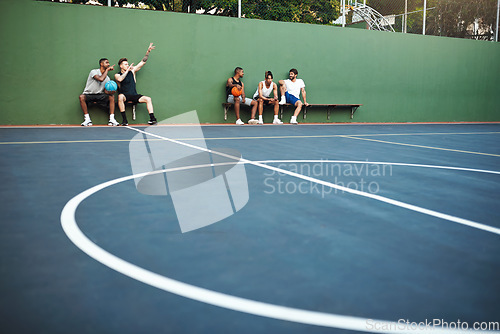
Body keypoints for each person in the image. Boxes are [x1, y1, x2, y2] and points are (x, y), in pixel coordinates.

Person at [115, 43, 157, 126]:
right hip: (125, 96)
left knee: (148, 99)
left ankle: (152, 119)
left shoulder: (132, 71)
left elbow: (143, 62)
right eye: (125, 64)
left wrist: (148, 52)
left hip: (134, 95)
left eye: (128, 64)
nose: (127, 65)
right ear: (121, 66)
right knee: (120, 96)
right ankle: (124, 120)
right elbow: (120, 79)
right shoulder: (117, 74)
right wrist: (127, 70)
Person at [79, 58, 119, 126]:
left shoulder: (107, 78)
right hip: (89, 94)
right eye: (107, 62)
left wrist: (111, 92)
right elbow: (100, 79)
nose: (109, 64)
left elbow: (106, 91)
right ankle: (87, 119)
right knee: (81, 97)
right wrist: (107, 70)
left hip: (100, 95)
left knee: (111, 97)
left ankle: (112, 119)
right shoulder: (94, 72)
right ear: (101, 64)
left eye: (108, 63)